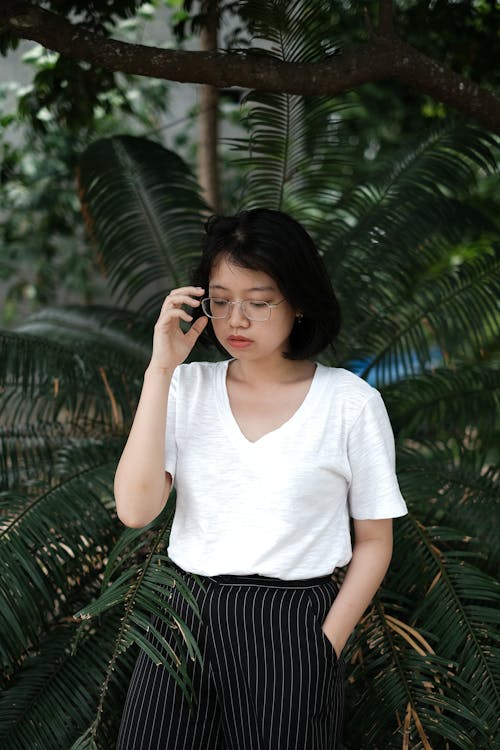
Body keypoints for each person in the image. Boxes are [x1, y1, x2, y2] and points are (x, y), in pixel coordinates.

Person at [114, 209, 408, 750]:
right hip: (181, 617)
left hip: (293, 625)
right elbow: (136, 511)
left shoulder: (350, 403)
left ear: (298, 302)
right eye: (220, 300)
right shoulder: (185, 388)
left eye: (259, 300)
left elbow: (374, 541)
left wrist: (325, 645)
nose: (236, 320)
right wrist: (161, 371)